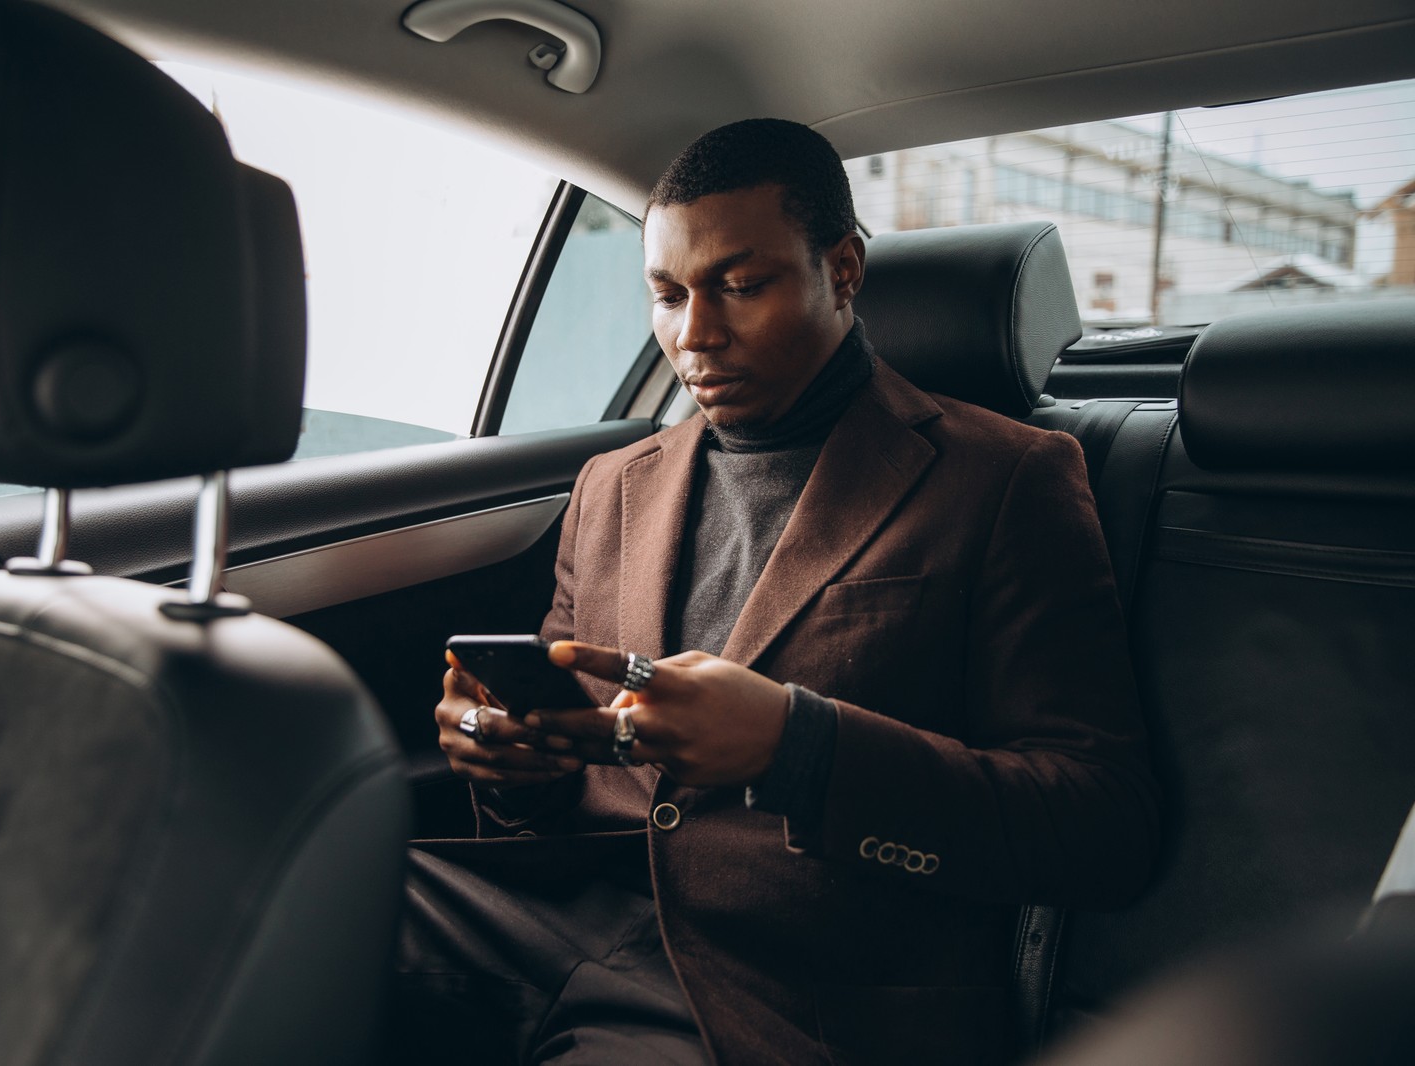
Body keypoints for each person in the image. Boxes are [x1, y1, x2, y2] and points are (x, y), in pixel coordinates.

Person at [395, 119, 1159, 1066]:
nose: (694, 335)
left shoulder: (1007, 478)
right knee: (293, 899)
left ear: (842, 271)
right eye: (668, 295)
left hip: (797, 992)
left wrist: (799, 747)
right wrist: (512, 762)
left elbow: (1102, 826)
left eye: (740, 286)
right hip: (558, 919)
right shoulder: (611, 486)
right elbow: (577, 769)